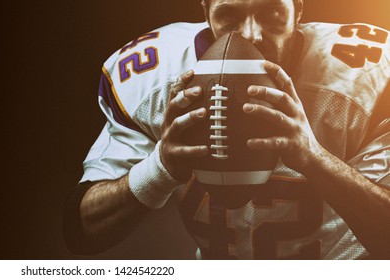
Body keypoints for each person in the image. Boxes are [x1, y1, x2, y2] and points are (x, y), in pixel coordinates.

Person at [63, 0, 390, 259]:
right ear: (206, 10)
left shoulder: (367, 74)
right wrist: (159, 168)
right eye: (229, 15)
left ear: (298, 9)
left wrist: (313, 156)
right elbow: (83, 231)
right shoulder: (157, 78)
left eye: (272, 12)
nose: (250, 35)